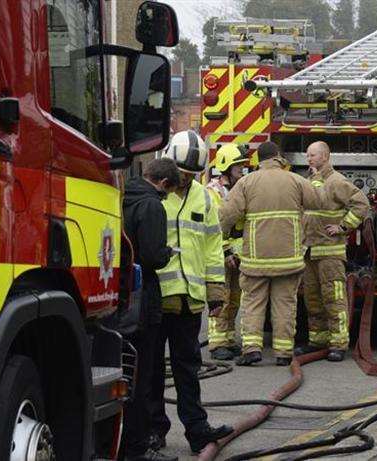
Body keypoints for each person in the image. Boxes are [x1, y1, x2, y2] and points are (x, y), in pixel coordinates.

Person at [149, 131, 234, 455]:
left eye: (190, 174)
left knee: (188, 369)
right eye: (181, 172)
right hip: (158, 298)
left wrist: (215, 290)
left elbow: (213, 245)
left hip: (189, 300)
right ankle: (155, 431)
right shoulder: (152, 194)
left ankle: (197, 430)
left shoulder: (203, 197)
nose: (184, 179)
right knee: (153, 371)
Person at [219, 141, 321, 366]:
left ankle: (252, 350)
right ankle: (284, 353)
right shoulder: (295, 180)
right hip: (289, 259)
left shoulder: (246, 182)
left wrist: (222, 241)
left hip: (256, 259)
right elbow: (317, 201)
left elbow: (226, 215)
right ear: (278, 157)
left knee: (253, 303)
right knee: (285, 304)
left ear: (259, 160)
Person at [122, 158, 180, 461]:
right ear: (164, 183)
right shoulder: (152, 205)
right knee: (144, 377)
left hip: (119, 297)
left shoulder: (122, 195)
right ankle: (139, 448)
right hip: (143, 300)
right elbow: (153, 255)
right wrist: (168, 252)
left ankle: (122, 443)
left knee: (125, 373)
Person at [295, 141, 370, 362]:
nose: (309, 159)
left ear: (326, 157)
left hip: (330, 252)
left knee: (333, 299)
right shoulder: (311, 182)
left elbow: (361, 204)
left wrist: (344, 227)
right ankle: (317, 340)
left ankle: (338, 344)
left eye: (313, 155)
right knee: (313, 299)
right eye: (307, 155)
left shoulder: (336, 181)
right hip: (310, 251)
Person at [206, 143, 249, 361]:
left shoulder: (237, 190)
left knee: (234, 299)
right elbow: (215, 227)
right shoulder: (213, 193)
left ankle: (229, 339)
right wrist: (225, 253)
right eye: (238, 167)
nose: (242, 171)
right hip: (221, 255)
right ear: (227, 167)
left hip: (236, 256)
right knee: (221, 298)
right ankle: (217, 342)